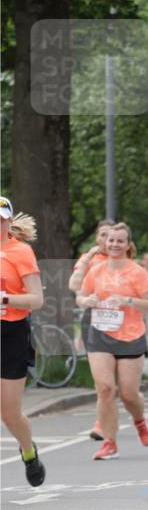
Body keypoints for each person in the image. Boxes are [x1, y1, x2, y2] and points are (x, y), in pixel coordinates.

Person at [77, 222, 148, 460]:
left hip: (130, 336)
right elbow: (80, 296)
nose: (114, 244)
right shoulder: (97, 270)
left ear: (127, 245)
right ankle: (110, 442)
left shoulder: (137, 272)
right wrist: (86, 301)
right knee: (104, 388)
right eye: (111, 240)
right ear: (105, 242)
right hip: (100, 334)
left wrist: (127, 301)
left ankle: (140, 421)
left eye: (120, 241)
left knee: (129, 395)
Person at [0, 197, 46, 487]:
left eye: (1, 219)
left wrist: (5, 299)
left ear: (8, 221)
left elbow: (37, 299)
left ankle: (29, 452)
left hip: (11, 334)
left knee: (10, 413)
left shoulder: (20, 252)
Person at [68, 218, 114, 441]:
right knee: (102, 381)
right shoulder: (89, 258)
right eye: (102, 235)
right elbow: (75, 286)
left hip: (120, 322)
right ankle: (100, 422)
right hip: (93, 319)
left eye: (110, 235)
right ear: (97, 237)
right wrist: (88, 258)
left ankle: (137, 416)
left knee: (122, 385)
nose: (106, 240)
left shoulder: (123, 257)